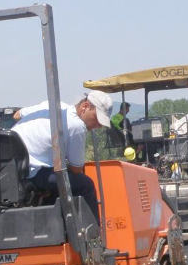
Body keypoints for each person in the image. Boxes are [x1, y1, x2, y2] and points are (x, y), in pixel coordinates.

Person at [12, 90, 113, 221]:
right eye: (97, 118)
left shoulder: (51, 106)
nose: (98, 125)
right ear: (85, 106)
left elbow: (17, 115)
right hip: (32, 172)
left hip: (12, 168)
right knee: (85, 184)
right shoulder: (77, 126)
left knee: (59, 179)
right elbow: (76, 169)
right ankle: (93, 230)